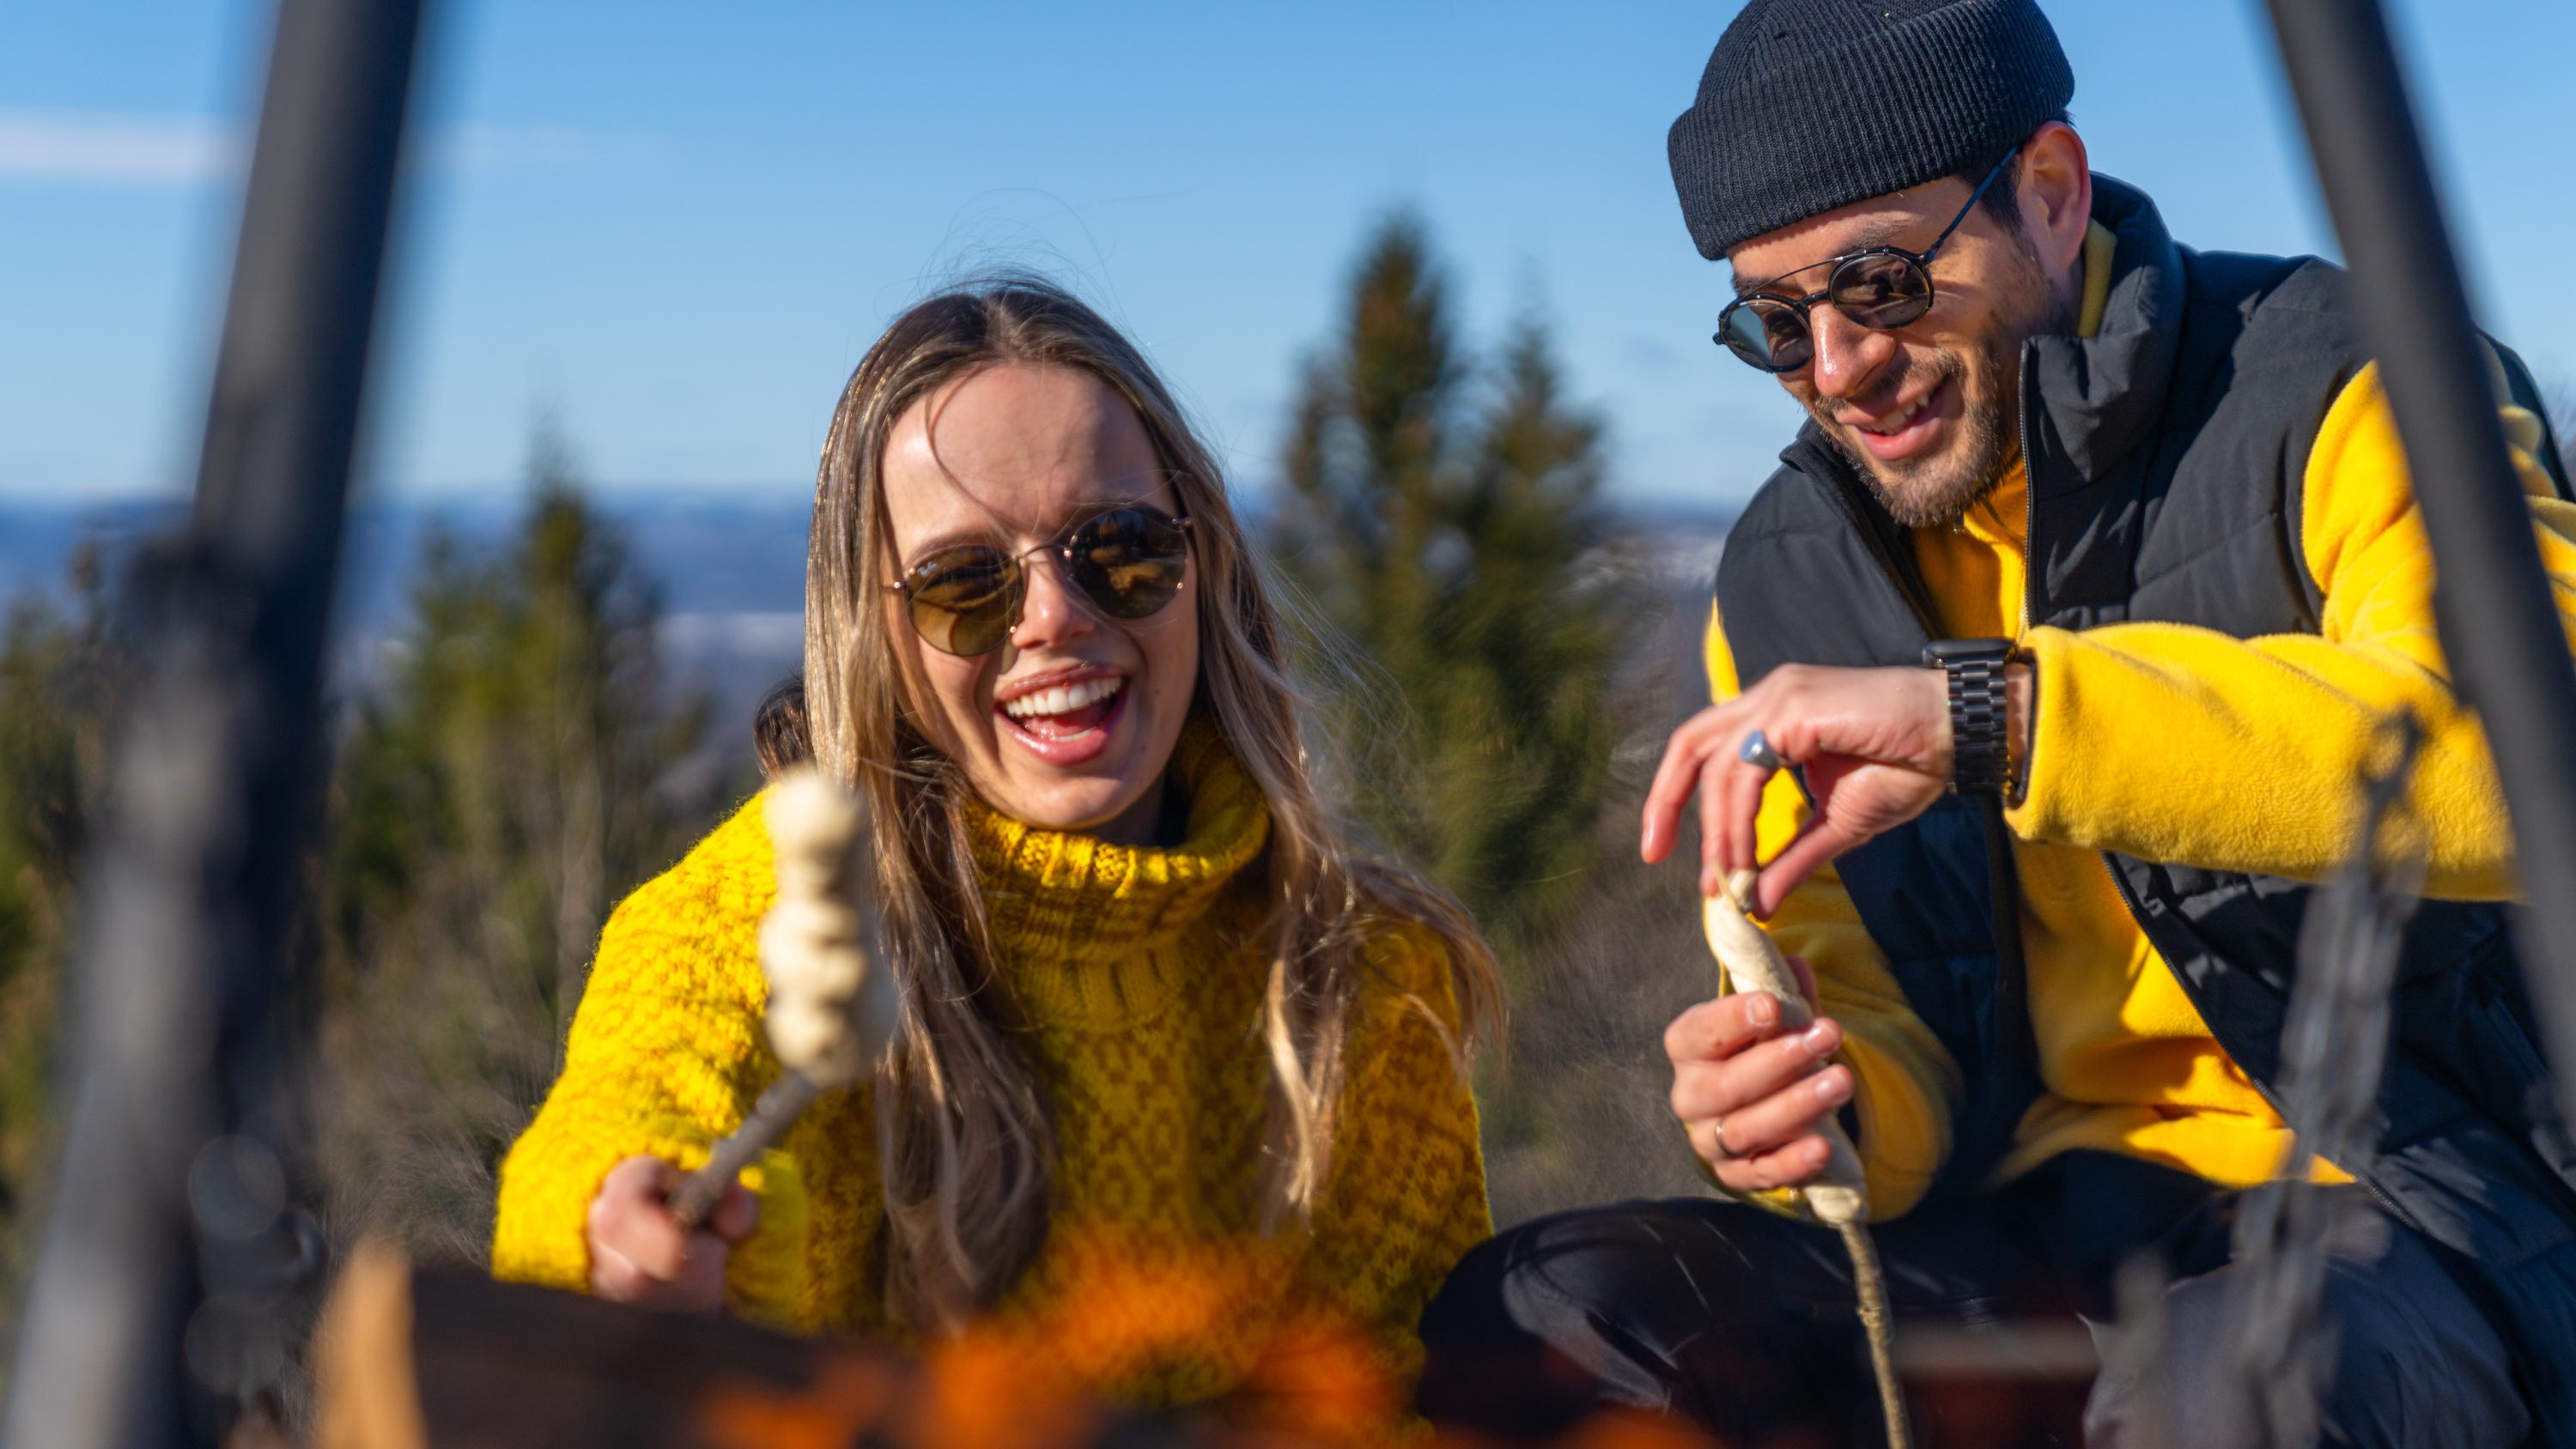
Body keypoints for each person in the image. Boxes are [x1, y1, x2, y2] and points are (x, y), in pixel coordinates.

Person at [1417, 2, 2576, 1445]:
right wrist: (1814, 1110)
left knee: (2229, 1395)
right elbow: (1881, 1022)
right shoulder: (1787, 574)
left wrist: (1993, 717)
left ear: (2049, 190)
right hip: (2035, 1223)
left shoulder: (2351, 379)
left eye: (1883, 283)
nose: (1836, 366)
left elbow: (2521, 761)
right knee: (1552, 1320)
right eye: (1775, 323)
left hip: (2419, 1204)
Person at [490, 279, 1501, 1441]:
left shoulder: (1362, 975)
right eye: (964, 583)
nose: (1053, 616)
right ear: (872, 629)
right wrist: (621, 1224)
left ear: (1203, 560)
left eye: (1116, 548)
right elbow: (624, 1115)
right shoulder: (763, 918)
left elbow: (1422, 1401)